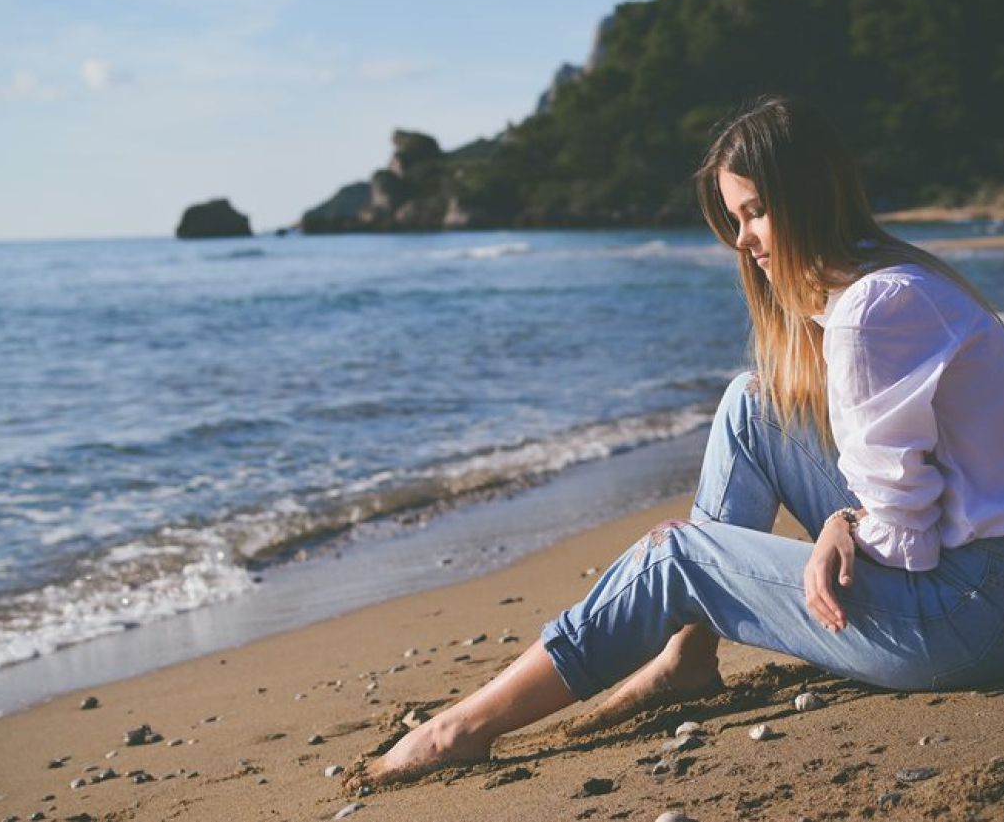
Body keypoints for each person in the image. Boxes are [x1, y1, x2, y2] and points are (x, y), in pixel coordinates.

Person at [346, 94, 1004, 792]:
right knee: (751, 403)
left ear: (808, 194)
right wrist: (847, 522)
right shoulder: (889, 277)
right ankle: (687, 655)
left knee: (679, 555)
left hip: (959, 617)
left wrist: (843, 523)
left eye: (754, 212)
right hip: (973, 583)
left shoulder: (871, 310)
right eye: (733, 219)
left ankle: (461, 728)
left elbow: (907, 540)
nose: (744, 242)